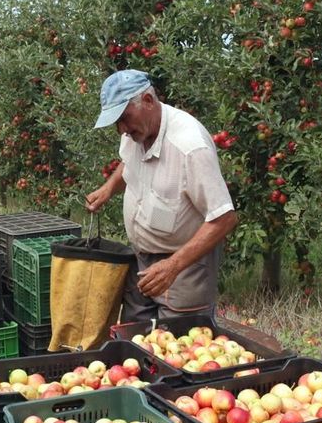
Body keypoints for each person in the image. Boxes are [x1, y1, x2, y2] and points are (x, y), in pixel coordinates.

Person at [85, 70, 239, 321]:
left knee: (178, 348)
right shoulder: (135, 133)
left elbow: (224, 218)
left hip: (183, 267)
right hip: (141, 258)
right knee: (137, 342)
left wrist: (173, 267)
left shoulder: (189, 146)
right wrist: (109, 188)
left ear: (147, 100)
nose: (121, 129)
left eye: (124, 118)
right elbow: (128, 163)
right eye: (117, 122)